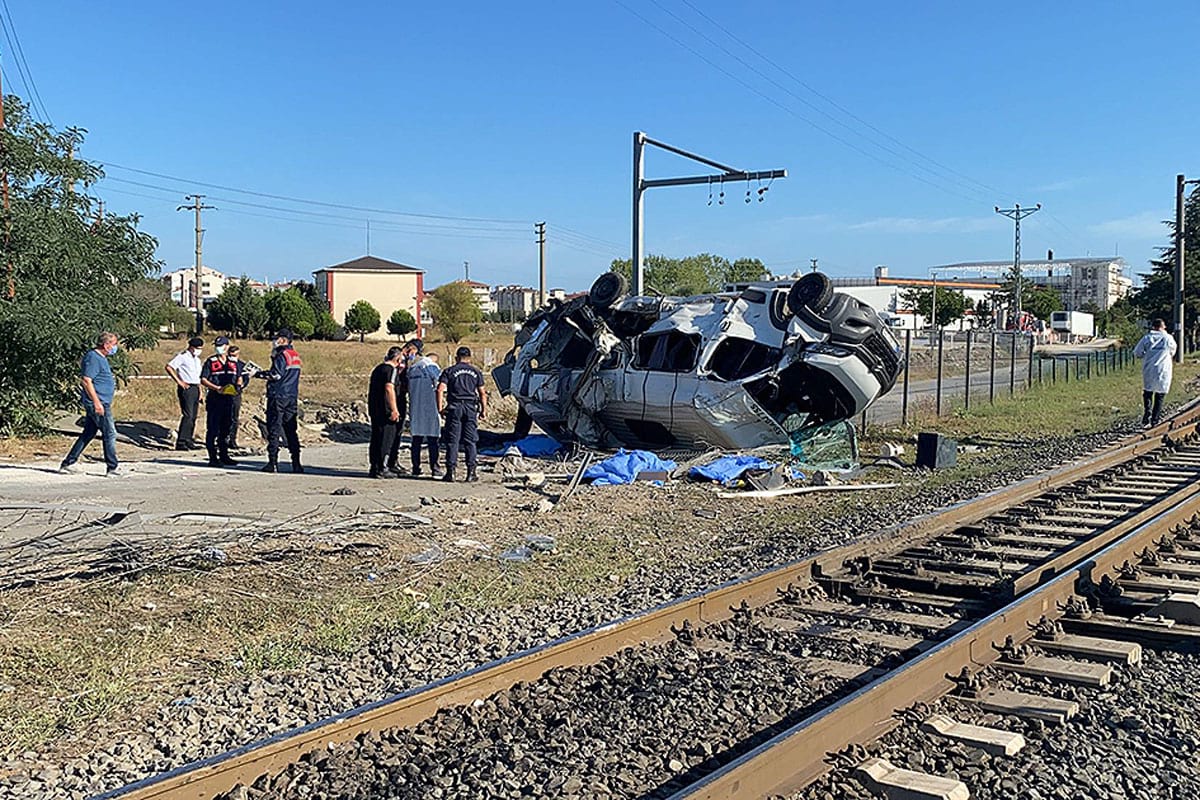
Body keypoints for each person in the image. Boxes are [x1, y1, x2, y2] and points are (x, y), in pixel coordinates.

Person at [60, 332, 122, 476]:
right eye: (114, 344)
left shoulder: (102, 358)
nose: (115, 347)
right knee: (110, 433)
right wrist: (96, 402)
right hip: (98, 402)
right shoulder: (93, 358)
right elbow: (86, 380)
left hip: (102, 401)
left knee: (88, 433)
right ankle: (112, 467)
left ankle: (68, 463)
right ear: (106, 345)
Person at [437, 346, 487, 482]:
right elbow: (482, 393)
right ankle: (471, 472)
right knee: (470, 441)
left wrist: (440, 408)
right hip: (470, 407)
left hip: (454, 407)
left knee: (453, 441)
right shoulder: (476, 372)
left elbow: (440, 389)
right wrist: (484, 410)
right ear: (469, 358)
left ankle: (450, 472)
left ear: (456, 357)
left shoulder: (449, 371)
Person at [258, 328, 304, 473]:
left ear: (283, 340)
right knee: (291, 430)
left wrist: (257, 374)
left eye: (277, 338)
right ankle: (296, 463)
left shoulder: (281, 355)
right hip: (291, 396)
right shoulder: (294, 355)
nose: (274, 341)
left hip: (278, 395)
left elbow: (276, 375)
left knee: (274, 429)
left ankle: (272, 463)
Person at [199, 336, 245, 467]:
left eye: (220, 345)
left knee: (226, 427)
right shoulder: (211, 361)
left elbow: (240, 376)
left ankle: (224, 455)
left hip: (229, 398)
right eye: (216, 345)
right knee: (213, 429)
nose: (218, 348)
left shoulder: (233, 362)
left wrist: (239, 383)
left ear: (226, 346)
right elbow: (203, 379)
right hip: (215, 398)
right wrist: (217, 388)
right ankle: (213, 457)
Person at [406, 339, 442, 477]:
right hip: (430, 406)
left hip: (416, 406)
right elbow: (440, 385)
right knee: (433, 439)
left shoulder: (412, 368)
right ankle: (435, 468)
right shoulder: (430, 366)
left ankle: (416, 468)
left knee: (417, 439)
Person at [367, 346, 405, 479]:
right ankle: (382, 467)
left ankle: (374, 467)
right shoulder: (391, 370)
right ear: (398, 358)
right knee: (386, 439)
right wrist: (394, 409)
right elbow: (389, 388)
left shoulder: (378, 369)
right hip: (386, 410)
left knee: (376, 438)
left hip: (375, 409)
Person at [1133, 318, 1177, 427]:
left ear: (1153, 326)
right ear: (1163, 327)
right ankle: (1155, 420)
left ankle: (1147, 413)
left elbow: (1137, 352)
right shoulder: (1168, 338)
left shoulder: (1147, 338)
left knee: (1148, 392)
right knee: (1160, 394)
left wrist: (1146, 355)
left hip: (1149, 368)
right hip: (1163, 369)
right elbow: (1173, 351)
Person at [165, 337, 204, 450]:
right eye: (197, 348)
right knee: (188, 415)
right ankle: (181, 441)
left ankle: (188, 439)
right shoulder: (182, 357)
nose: (199, 350)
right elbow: (169, 367)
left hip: (195, 387)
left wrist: (200, 391)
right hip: (186, 387)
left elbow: (198, 377)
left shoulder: (197, 359)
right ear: (191, 347)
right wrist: (179, 382)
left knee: (194, 417)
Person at [224, 345, 251, 451]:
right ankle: (222, 439)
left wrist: (241, 385)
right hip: (224, 393)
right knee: (223, 417)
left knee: (234, 418)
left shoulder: (241, 365)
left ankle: (232, 440)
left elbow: (246, 379)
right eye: (230, 355)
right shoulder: (224, 364)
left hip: (236, 394)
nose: (232, 357)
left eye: (234, 355)